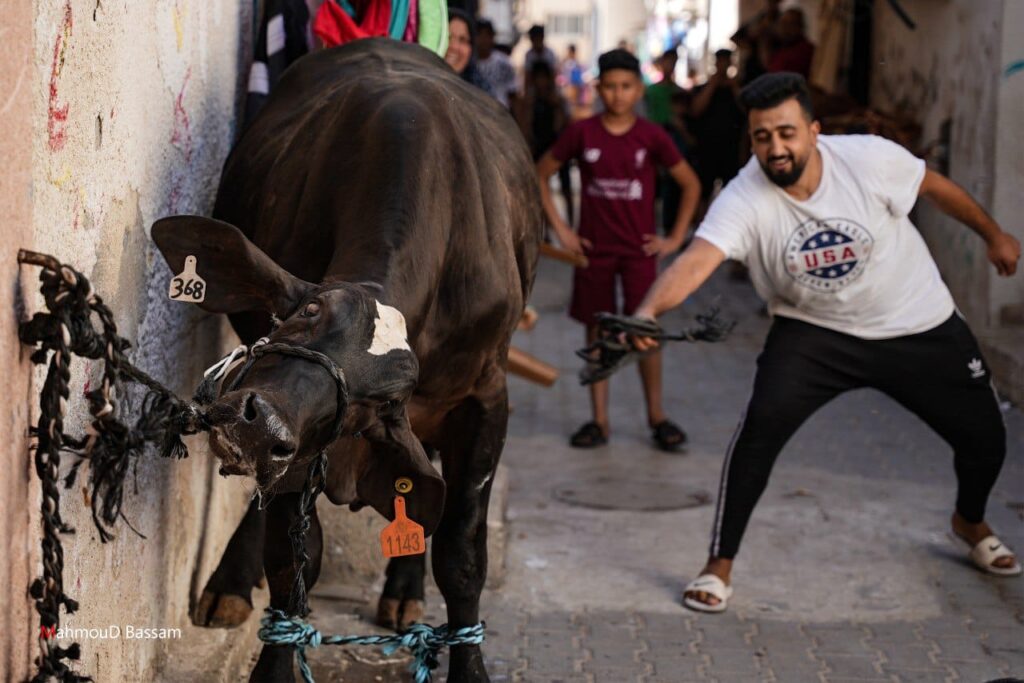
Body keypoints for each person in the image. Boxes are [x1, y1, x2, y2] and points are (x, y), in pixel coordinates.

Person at [628, 73, 1022, 613]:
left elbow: (934, 186)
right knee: (759, 431)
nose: (776, 148)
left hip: (916, 320)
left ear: (813, 131)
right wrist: (649, 309)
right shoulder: (746, 194)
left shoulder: (868, 159)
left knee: (986, 438)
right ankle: (718, 565)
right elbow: (698, 259)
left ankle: (970, 521)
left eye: (787, 133)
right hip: (814, 333)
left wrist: (994, 234)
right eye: (762, 137)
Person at [536, 49, 701, 451]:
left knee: (646, 332)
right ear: (598, 88)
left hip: (639, 253)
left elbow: (691, 184)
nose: (617, 94)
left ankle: (657, 417)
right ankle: (599, 420)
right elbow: (540, 175)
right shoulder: (583, 133)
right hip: (594, 254)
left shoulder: (652, 136)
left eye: (626, 86)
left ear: (637, 89)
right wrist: (562, 231)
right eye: (609, 86)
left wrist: (675, 239)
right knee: (599, 332)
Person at [515, 61, 573, 224]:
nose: (541, 82)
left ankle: (571, 221)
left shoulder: (557, 99)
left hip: (557, 148)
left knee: (566, 188)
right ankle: (544, 226)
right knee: (539, 188)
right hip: (539, 146)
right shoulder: (530, 101)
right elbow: (525, 124)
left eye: (544, 78)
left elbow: (564, 123)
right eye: (538, 78)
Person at [691, 49, 745, 204]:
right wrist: (712, 86)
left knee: (732, 191)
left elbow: (746, 111)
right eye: (720, 61)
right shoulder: (703, 88)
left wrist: (734, 88)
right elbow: (696, 110)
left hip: (731, 148)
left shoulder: (737, 88)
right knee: (703, 191)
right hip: (707, 148)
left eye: (726, 61)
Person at [731, 0, 783, 85]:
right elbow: (735, 37)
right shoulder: (758, 20)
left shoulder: (782, 19)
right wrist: (750, 47)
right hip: (754, 68)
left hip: (775, 65)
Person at [445, 8, 493, 94]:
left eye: (463, 40)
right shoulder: (416, 88)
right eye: (447, 37)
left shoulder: (482, 92)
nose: (454, 47)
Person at [475, 18, 517, 107]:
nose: (483, 39)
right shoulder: (469, 63)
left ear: (492, 37)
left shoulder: (503, 62)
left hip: (500, 113)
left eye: (487, 35)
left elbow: (513, 93)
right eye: (480, 34)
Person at [767, 8, 814, 78]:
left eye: (789, 24)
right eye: (782, 23)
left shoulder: (805, 50)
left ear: (799, 27)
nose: (783, 28)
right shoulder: (782, 48)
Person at [644, 48, 683, 127]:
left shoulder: (678, 90)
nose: (671, 66)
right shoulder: (650, 90)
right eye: (668, 62)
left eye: (673, 62)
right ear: (662, 62)